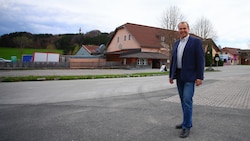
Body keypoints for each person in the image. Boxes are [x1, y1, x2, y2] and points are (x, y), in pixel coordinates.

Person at [169, 21, 204, 138]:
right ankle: (186, 122)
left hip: (190, 76)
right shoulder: (176, 43)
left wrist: (200, 77)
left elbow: (200, 60)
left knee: (187, 99)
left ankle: (186, 127)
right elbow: (173, 60)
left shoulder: (195, 42)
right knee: (183, 101)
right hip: (179, 75)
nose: (182, 30)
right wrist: (171, 75)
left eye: (184, 28)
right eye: (180, 29)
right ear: (178, 30)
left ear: (188, 29)